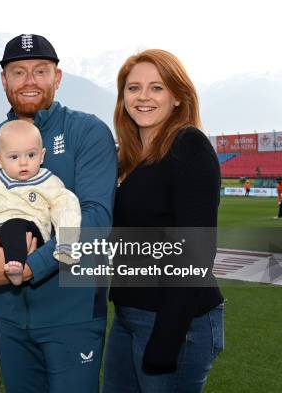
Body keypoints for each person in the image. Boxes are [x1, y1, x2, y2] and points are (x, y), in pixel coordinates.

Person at [0, 34, 117, 392]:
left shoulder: (88, 131)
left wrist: (31, 266)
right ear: (5, 80)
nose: (29, 81)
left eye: (40, 71)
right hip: (10, 316)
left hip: (73, 311)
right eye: (18, 72)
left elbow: (96, 220)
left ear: (57, 78)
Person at [104, 49, 224, 392]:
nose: (143, 97)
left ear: (177, 97)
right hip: (129, 315)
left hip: (175, 322)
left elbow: (197, 252)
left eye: (157, 88)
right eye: (133, 88)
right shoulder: (129, 157)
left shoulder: (189, 147)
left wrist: (167, 339)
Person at [0, 120, 81, 297]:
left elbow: (67, 208)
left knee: (13, 225)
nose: (23, 163)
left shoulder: (49, 182)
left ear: (42, 156)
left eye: (31, 155)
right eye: (14, 157)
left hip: (28, 231)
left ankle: (17, 268)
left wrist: (67, 246)